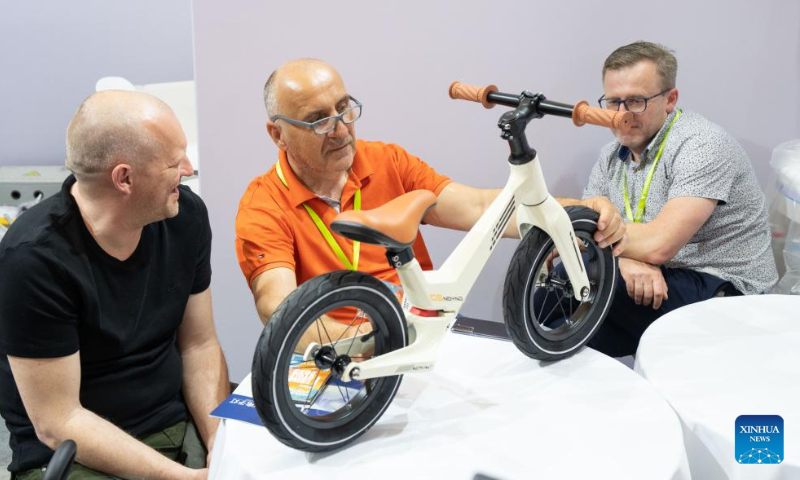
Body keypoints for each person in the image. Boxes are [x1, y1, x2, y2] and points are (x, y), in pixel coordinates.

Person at [235, 58, 627, 334]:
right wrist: (359, 345)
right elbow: (276, 304)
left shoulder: (386, 160)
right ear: (278, 134)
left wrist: (578, 210)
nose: (340, 130)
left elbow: (477, 208)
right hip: (341, 355)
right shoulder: (263, 205)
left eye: (344, 109)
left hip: (421, 332)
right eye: (319, 120)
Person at [0, 91, 229, 479]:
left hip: (174, 420)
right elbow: (58, 422)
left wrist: (221, 447)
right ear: (124, 178)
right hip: (76, 450)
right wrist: (188, 479)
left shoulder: (185, 217)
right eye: (175, 161)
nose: (189, 169)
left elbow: (199, 344)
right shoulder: (33, 261)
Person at [582, 41, 778, 357]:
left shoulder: (703, 145)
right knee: (554, 300)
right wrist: (626, 260)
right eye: (613, 102)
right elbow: (584, 228)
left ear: (670, 99)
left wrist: (615, 259)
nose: (620, 116)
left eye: (635, 101)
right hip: (654, 281)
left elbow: (660, 244)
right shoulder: (610, 157)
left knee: (578, 279)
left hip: (727, 293)